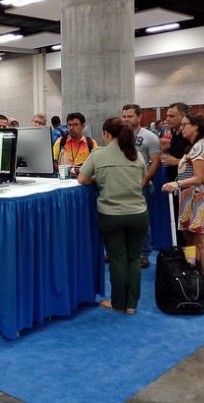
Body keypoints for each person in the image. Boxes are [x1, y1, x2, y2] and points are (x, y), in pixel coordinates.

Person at [79, 117, 148, 314]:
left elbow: (82, 179)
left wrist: (97, 178)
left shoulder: (98, 154)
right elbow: (142, 181)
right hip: (138, 213)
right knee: (134, 259)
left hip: (111, 215)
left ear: (106, 134)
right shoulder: (136, 155)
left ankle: (117, 303)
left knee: (118, 259)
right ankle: (131, 305)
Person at [162, 113, 204, 297]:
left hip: (200, 198)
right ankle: (194, 272)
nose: (182, 127)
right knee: (189, 238)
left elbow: (199, 177)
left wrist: (176, 183)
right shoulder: (193, 147)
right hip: (189, 199)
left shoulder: (202, 147)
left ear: (196, 126)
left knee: (202, 240)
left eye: (185, 124)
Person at [122, 104, 161, 268]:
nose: (126, 119)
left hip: (141, 186)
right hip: (122, 185)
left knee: (141, 222)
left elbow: (156, 161)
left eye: (129, 116)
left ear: (139, 117)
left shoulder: (149, 137)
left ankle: (143, 254)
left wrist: (144, 181)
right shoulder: (120, 136)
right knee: (121, 221)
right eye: (124, 116)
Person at [160, 102, 191, 247]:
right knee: (180, 229)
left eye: (171, 116)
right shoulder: (176, 134)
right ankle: (185, 260)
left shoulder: (190, 138)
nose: (167, 119)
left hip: (187, 189)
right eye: (167, 116)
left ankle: (192, 263)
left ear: (183, 117)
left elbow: (199, 165)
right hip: (176, 187)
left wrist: (177, 161)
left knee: (189, 231)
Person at [52, 112, 98, 178]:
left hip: (84, 182)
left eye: (75, 125)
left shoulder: (91, 143)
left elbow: (96, 165)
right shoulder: (60, 142)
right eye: (69, 125)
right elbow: (53, 163)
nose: (71, 128)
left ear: (83, 126)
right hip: (65, 181)